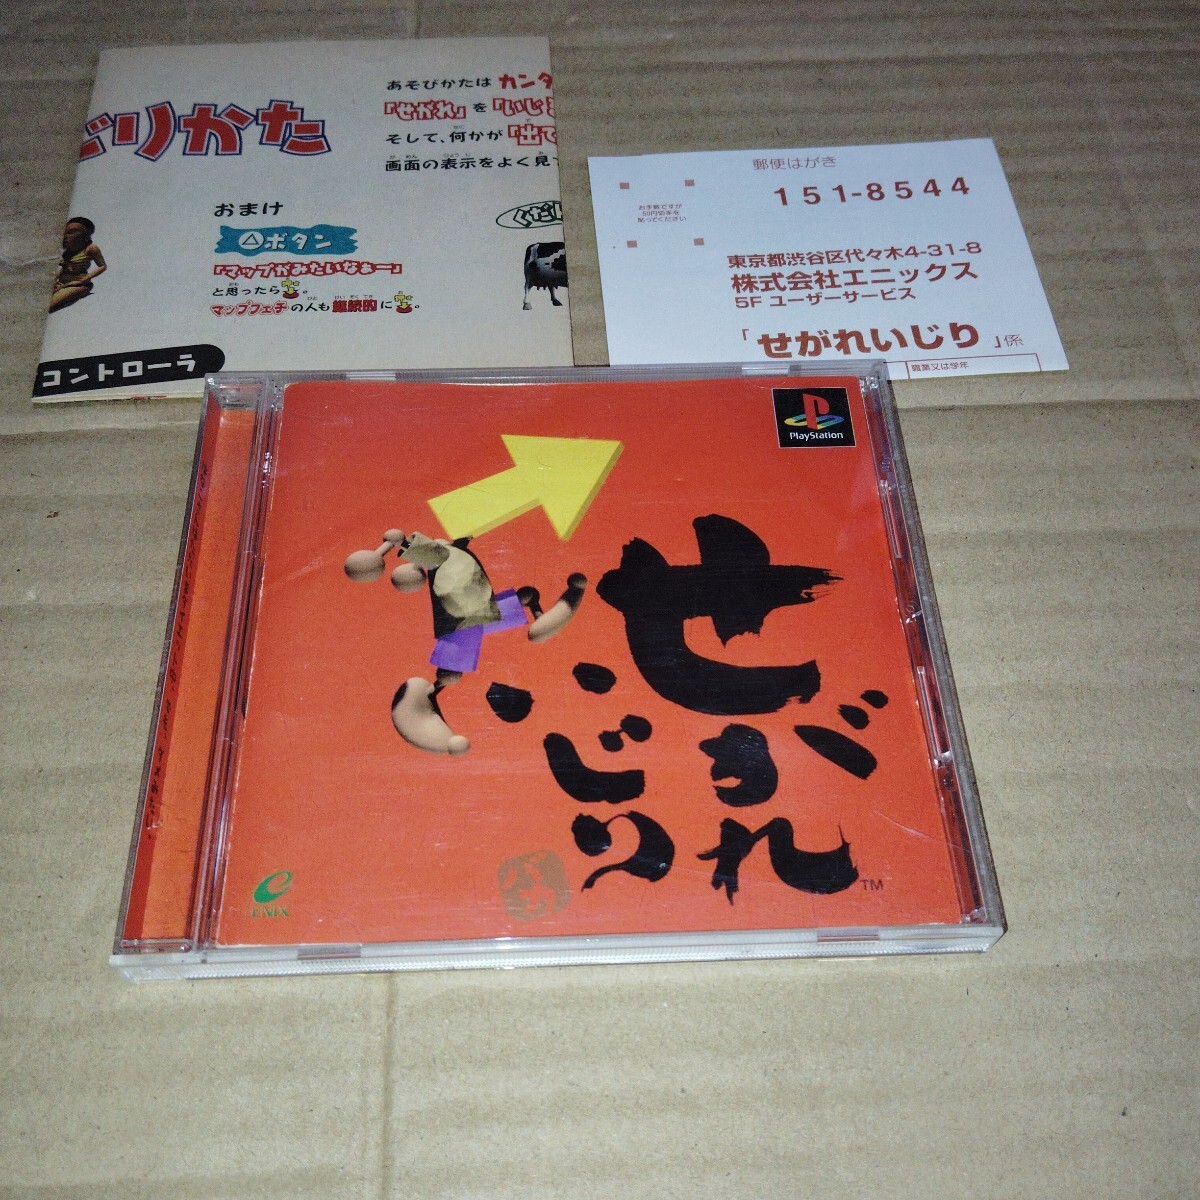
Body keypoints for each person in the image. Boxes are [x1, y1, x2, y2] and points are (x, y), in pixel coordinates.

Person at [50, 217, 106, 312]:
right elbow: (65, 268)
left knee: (49, 305)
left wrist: (88, 277)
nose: (66, 236)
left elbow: (102, 266)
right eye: (65, 232)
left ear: (85, 235)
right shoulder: (67, 251)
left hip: (77, 284)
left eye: (72, 232)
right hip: (61, 283)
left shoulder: (90, 249)